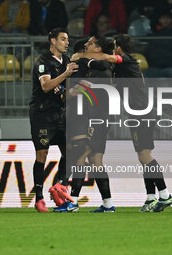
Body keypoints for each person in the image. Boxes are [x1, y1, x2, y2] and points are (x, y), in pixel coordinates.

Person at [71, 34, 172, 212]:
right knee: (143, 157)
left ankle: (164, 195)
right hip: (136, 114)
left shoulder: (127, 60)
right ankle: (151, 198)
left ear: (118, 48)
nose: (112, 48)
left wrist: (81, 56)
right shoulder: (121, 68)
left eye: (114, 46)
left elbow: (107, 58)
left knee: (145, 156)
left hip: (142, 113)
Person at [54, 35, 115, 213]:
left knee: (80, 157)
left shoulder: (96, 64)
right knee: (95, 160)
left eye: (91, 43)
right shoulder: (94, 65)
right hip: (97, 116)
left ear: (98, 49)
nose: (87, 45)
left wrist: (74, 89)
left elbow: (91, 83)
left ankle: (71, 200)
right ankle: (107, 203)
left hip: (96, 117)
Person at [29, 27, 78, 212]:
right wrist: (65, 74)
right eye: (63, 39)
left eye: (67, 39)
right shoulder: (43, 62)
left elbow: (66, 91)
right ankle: (39, 198)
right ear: (53, 41)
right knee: (42, 154)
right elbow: (46, 86)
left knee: (70, 151)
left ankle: (59, 186)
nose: (67, 42)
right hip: (41, 114)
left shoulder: (66, 60)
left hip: (59, 113)